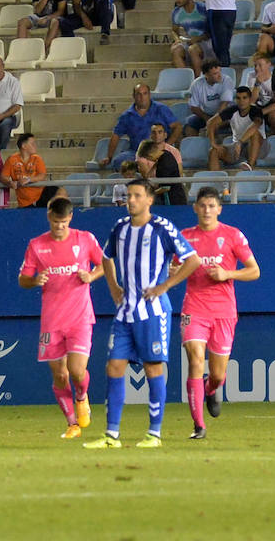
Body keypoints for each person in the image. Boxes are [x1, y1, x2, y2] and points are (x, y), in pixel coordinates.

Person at [83, 178, 200, 449]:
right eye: (128, 195)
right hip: (125, 312)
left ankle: (154, 433)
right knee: (113, 366)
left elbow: (192, 259)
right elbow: (104, 257)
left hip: (153, 312)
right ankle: (111, 435)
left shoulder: (161, 228)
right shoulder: (120, 228)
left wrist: (166, 285)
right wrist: (113, 287)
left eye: (137, 195)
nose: (131, 200)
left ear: (149, 199)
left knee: (152, 367)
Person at [177, 187, 260, 439]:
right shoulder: (184, 237)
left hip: (224, 311)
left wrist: (227, 274)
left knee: (217, 374)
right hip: (194, 307)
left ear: (219, 209)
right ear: (195, 208)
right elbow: (172, 267)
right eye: (202, 205)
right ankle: (199, 426)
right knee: (194, 360)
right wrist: (171, 274)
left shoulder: (232, 235)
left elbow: (254, 271)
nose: (207, 210)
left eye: (212, 206)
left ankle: (210, 389)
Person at [19, 197, 104, 439]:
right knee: (60, 375)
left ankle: (81, 397)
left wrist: (91, 276)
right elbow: (23, 279)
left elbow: (105, 265)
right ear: (49, 218)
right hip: (52, 320)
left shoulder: (84, 239)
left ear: (71, 219)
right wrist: (35, 280)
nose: (59, 227)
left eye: (64, 223)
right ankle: (72, 424)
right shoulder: (37, 245)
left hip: (80, 317)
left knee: (77, 371)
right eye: (56, 222)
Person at [103, 84, 182, 170]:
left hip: (159, 151)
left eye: (145, 93)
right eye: (139, 94)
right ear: (134, 96)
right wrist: (109, 157)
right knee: (119, 162)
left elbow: (177, 127)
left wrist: (167, 146)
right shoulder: (127, 116)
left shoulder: (161, 109)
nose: (142, 97)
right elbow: (116, 135)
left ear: (149, 95)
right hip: (136, 152)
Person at [207, 86, 269, 171]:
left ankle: (250, 165)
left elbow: (255, 127)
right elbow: (211, 123)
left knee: (255, 134)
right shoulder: (232, 110)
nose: (241, 101)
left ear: (250, 99)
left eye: (244, 98)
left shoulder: (256, 111)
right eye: (238, 98)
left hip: (259, 147)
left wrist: (240, 142)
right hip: (237, 147)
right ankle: (215, 182)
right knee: (213, 151)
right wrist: (213, 143)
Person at [0, 133, 59, 208]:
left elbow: (42, 175)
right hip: (25, 202)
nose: (35, 146)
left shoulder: (37, 158)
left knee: (56, 190)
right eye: (32, 144)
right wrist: (10, 182)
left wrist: (28, 179)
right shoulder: (11, 160)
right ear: (24, 146)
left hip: (41, 197)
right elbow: (3, 176)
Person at [171, 0, 214, 77]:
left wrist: (197, 39)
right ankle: (187, 79)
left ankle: (199, 80)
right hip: (190, 41)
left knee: (193, 49)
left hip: (206, 42)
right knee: (175, 50)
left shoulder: (203, 8)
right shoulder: (176, 12)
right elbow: (174, 30)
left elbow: (212, 31)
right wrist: (177, 39)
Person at [184, 58, 236, 136]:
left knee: (214, 125)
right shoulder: (196, 84)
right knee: (189, 125)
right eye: (215, 74)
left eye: (220, 72)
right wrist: (207, 118)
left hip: (226, 114)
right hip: (206, 115)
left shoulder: (227, 80)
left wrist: (214, 121)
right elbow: (193, 107)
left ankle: (214, 145)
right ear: (206, 75)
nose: (219, 76)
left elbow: (224, 104)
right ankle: (196, 145)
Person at [135, 139, 187, 205]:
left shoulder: (164, 165)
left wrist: (150, 193)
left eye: (147, 158)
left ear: (150, 155)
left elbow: (165, 188)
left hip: (173, 200)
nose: (149, 160)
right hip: (177, 195)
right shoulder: (166, 153)